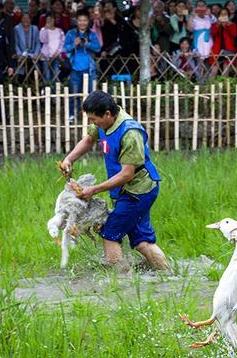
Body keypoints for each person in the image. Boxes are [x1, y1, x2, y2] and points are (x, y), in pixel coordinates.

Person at [59, 90, 167, 271]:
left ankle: (121, 280)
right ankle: (167, 274)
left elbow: (127, 174)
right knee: (141, 240)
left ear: (108, 114)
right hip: (129, 190)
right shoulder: (104, 124)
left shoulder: (130, 133)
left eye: (94, 119)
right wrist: (69, 159)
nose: (92, 123)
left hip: (137, 191)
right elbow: (88, 139)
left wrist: (93, 189)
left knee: (110, 233)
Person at [63, 8, 100, 122]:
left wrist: (86, 44)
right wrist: (74, 44)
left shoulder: (92, 34)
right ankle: (72, 115)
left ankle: (91, 117)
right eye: (80, 20)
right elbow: (64, 49)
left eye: (85, 20)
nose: (82, 23)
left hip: (90, 69)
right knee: (74, 94)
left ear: (88, 21)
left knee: (91, 95)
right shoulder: (71, 34)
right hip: (75, 68)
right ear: (76, 21)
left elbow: (98, 48)